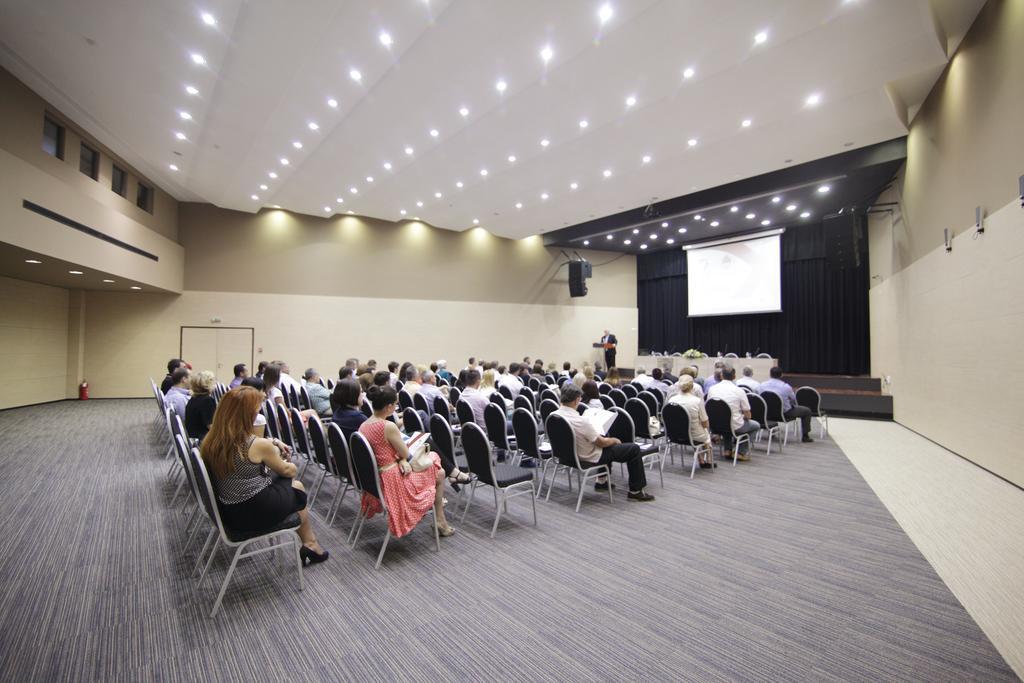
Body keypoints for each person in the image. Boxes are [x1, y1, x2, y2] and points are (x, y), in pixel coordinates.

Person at [201, 386, 328, 564]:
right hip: (252, 511)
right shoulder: (257, 445)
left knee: (290, 484)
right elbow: (289, 471)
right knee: (296, 485)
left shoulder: (211, 439)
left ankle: (311, 543)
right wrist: (282, 458)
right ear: (247, 415)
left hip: (229, 509)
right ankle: (311, 543)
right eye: (255, 412)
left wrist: (272, 444)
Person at [358, 385, 456, 537]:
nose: (396, 407)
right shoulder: (387, 426)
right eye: (395, 404)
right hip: (394, 481)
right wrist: (402, 458)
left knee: (439, 470)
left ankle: (440, 519)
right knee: (438, 467)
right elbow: (405, 452)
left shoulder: (364, 425)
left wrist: (401, 459)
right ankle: (440, 520)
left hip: (379, 477)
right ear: (389, 406)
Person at [556, 384, 655, 501]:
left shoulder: (555, 414)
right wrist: (614, 440)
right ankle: (636, 490)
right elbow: (601, 443)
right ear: (577, 400)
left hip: (567, 456)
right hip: (588, 457)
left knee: (606, 444)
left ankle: (601, 481)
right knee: (633, 449)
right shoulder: (580, 421)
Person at [708, 366, 760, 461]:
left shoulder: (712, 389)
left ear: (721, 376)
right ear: (734, 376)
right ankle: (741, 452)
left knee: (726, 419)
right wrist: (743, 417)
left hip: (715, 425)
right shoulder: (739, 391)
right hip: (733, 425)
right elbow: (748, 415)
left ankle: (727, 450)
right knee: (756, 425)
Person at [667, 376, 715, 468]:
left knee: (690, 429)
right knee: (704, 432)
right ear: (692, 386)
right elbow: (705, 423)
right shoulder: (697, 401)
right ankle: (709, 460)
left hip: (675, 435)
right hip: (694, 436)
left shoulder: (672, 400)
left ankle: (701, 459)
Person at [758, 366, 814, 443]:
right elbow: (794, 400)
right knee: (807, 411)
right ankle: (805, 436)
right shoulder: (786, 387)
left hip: (766, 413)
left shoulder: (761, 385)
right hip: (784, 414)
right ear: (781, 375)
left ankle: (772, 432)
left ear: (770, 374)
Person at [184, 370, 217, 441]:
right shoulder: (207, 401)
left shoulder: (193, 398)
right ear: (208, 384)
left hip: (194, 437)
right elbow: (211, 426)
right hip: (203, 439)